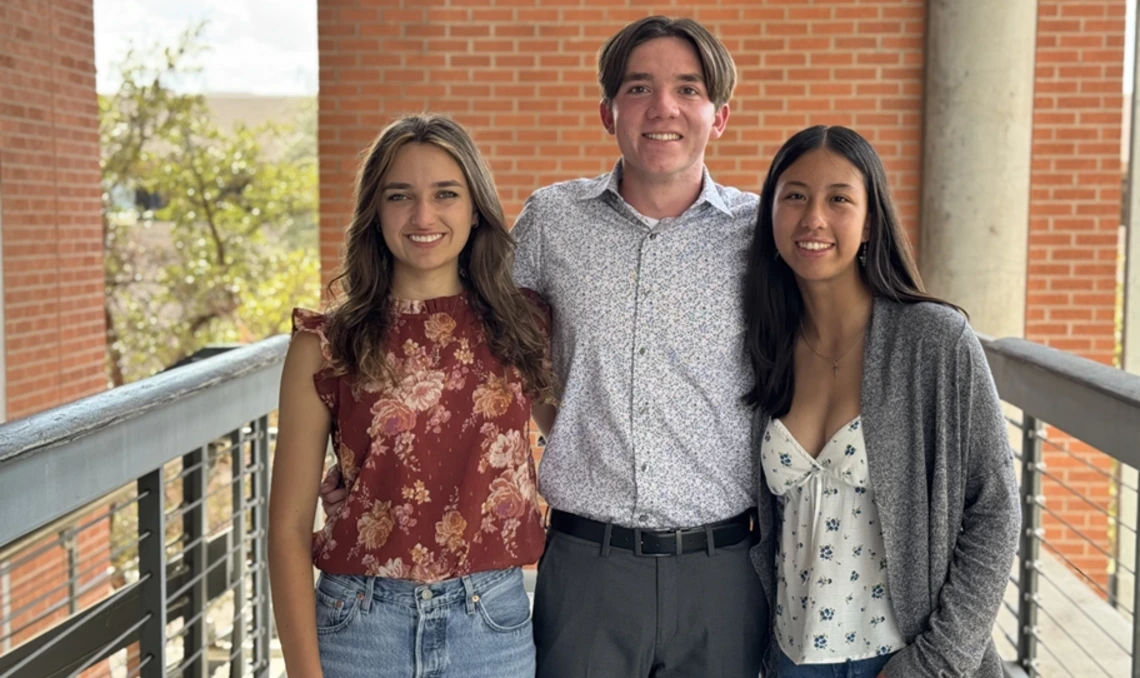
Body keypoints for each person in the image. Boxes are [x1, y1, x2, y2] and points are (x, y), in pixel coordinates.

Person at [321, 16, 772, 677]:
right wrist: (372, 469)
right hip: (588, 566)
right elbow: (464, 342)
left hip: (724, 572)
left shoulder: (761, 236)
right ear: (607, 111)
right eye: (639, 88)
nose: (663, 108)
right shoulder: (551, 223)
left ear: (719, 115)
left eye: (688, 89)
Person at [268, 113, 556, 678]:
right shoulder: (325, 344)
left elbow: (580, 436)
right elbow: (286, 528)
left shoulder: (524, 326)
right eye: (401, 196)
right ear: (375, 212)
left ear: (475, 210)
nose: (424, 216)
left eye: (445, 194)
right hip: (358, 626)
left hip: (491, 625)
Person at [743, 125, 1020, 677]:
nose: (813, 218)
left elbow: (994, 510)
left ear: (870, 221)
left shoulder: (935, 341)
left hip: (907, 659)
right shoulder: (763, 344)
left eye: (838, 199)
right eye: (794, 195)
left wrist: (934, 662)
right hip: (790, 660)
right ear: (771, 213)